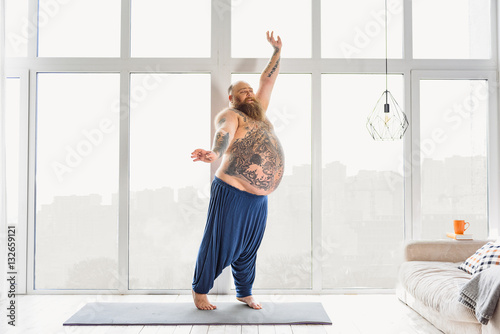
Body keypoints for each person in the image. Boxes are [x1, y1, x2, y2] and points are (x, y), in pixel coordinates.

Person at [190, 31, 284, 310]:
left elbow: (267, 81)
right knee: (219, 241)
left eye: (250, 90)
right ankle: (200, 291)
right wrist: (214, 153)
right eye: (243, 90)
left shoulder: (260, 114)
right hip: (232, 190)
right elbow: (224, 133)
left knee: (249, 248)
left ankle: (244, 292)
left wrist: (277, 51)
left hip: (259, 197)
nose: (250, 93)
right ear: (232, 98)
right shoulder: (231, 114)